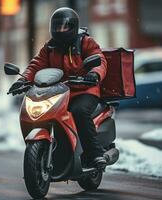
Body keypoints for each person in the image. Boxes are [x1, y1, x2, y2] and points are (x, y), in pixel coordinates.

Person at [10, 7, 108, 168]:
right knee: (47, 114)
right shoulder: (50, 47)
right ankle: (59, 152)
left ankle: (94, 154)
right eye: (57, 26)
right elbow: (36, 65)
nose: (60, 30)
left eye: (64, 26)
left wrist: (94, 74)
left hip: (84, 90)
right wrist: (23, 80)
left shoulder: (85, 42)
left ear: (73, 27)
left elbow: (99, 60)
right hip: (59, 92)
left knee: (79, 112)